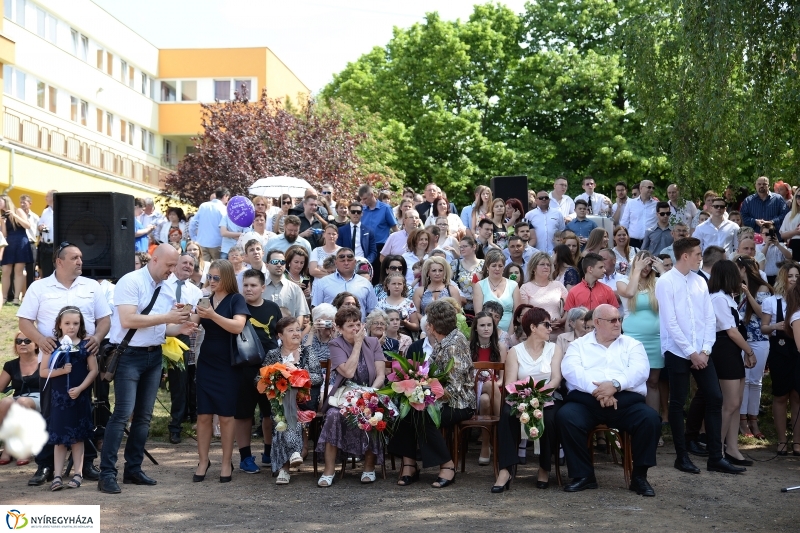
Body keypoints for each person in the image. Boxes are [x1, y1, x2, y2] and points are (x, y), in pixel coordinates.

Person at [99, 244, 195, 494]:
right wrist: (168, 320)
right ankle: (107, 473)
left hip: (154, 355)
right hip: (129, 356)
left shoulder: (165, 288)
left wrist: (180, 328)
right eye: (169, 265)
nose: (172, 271)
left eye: (175, 266)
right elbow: (128, 320)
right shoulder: (130, 282)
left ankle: (133, 469)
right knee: (122, 414)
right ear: (154, 260)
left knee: (143, 417)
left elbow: (161, 327)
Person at [18, 242, 112, 487]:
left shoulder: (92, 286)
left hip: (84, 360)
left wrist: (97, 338)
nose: (81, 261)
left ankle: (87, 464)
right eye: (75, 257)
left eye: (81, 257)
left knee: (87, 413)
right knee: (51, 415)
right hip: (53, 365)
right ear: (59, 262)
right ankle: (47, 465)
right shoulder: (39, 287)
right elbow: (24, 321)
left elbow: (105, 320)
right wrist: (41, 340)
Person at [656, 237, 745, 476]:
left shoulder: (700, 282)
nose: (700, 257)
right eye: (697, 254)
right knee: (678, 402)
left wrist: (705, 350)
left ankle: (716, 456)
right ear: (685, 256)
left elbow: (708, 318)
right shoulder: (665, 282)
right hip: (677, 351)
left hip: (702, 351)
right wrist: (691, 353)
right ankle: (682, 456)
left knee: (715, 397)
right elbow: (670, 322)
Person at [557, 304, 660, 495]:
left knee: (650, 419)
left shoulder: (632, 344)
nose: (618, 323)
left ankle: (639, 477)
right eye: (612, 320)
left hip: (625, 400)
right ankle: (583, 476)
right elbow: (571, 371)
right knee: (566, 416)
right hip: (586, 400)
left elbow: (640, 371)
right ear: (597, 322)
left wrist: (615, 385)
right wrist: (600, 392)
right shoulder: (578, 346)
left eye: (619, 319)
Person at [389, 300, 475, 488]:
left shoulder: (454, 343)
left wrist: (425, 395)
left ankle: (447, 465)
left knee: (423, 414)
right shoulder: (444, 340)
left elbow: (455, 388)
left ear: (432, 326)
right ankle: (409, 464)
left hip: (459, 404)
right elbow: (431, 373)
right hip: (441, 399)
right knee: (405, 409)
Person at [492, 307, 563, 492]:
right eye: (546, 324)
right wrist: (526, 397)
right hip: (520, 397)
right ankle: (505, 470)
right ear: (532, 327)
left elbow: (556, 378)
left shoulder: (554, 349)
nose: (550, 328)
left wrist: (540, 395)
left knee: (549, 418)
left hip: (547, 396)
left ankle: (544, 468)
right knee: (507, 415)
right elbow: (510, 382)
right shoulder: (515, 351)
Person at [191, 259, 248, 484]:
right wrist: (185, 315)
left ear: (226, 278)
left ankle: (226, 462)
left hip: (229, 363)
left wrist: (212, 315)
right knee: (203, 415)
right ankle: (203, 460)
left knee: (226, 415)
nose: (212, 281)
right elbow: (193, 324)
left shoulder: (236, 299)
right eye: (210, 277)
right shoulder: (205, 299)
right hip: (206, 361)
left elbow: (238, 326)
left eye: (216, 277)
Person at [316, 306, 386, 487]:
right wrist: (357, 344)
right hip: (345, 396)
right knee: (332, 416)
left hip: (370, 392)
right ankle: (329, 470)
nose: (355, 329)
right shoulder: (335, 344)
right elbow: (347, 372)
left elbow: (381, 375)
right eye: (350, 326)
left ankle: (369, 467)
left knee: (373, 412)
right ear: (339, 328)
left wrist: (370, 392)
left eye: (357, 324)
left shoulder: (373, 342)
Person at [40, 306, 98, 491]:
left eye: (75, 323)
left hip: (79, 398)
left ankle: (78, 473)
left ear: (80, 324)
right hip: (59, 399)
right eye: (67, 323)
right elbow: (43, 372)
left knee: (77, 438)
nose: (71, 327)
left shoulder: (85, 345)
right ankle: (57, 475)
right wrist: (61, 371)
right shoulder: (52, 346)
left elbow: (94, 370)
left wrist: (81, 388)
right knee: (59, 439)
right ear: (59, 324)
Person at [261, 317, 322, 484]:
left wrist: (298, 374)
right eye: (291, 330)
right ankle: (294, 451)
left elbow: (318, 378)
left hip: (305, 400)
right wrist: (274, 378)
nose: (296, 333)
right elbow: (259, 379)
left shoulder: (308, 352)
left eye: (297, 329)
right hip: (279, 402)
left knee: (284, 411)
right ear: (280, 335)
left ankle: (284, 469)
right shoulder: (273, 355)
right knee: (283, 406)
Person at [707, 260, 757, 467]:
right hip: (724, 349)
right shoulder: (718, 298)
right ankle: (716, 451)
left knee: (736, 403)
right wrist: (749, 350)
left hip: (733, 349)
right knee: (729, 404)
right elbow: (731, 331)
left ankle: (732, 448)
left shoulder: (727, 297)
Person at [236, 268, 282, 473]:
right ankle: (245, 457)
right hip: (244, 367)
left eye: (253, 285)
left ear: (263, 288)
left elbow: (279, 336)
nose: (248, 289)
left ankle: (269, 452)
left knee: (270, 413)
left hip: (270, 368)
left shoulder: (273, 307)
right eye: (245, 285)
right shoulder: (237, 307)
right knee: (244, 414)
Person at [617, 252, 663, 425]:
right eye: (642, 264)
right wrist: (635, 270)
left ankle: (653, 425)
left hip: (655, 339)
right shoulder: (622, 281)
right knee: (633, 382)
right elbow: (629, 293)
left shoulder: (658, 283)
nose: (646, 268)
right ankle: (633, 422)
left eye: (649, 265)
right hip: (633, 339)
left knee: (653, 382)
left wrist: (662, 271)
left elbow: (675, 292)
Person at [761, 262, 800, 456]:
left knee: (797, 396)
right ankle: (782, 440)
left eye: (796, 276)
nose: (793, 279)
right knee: (780, 395)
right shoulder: (772, 301)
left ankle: (797, 442)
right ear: (783, 278)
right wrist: (775, 326)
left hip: (798, 350)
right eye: (790, 276)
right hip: (780, 350)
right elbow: (763, 327)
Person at [165, 253, 203, 445]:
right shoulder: (162, 284)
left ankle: (175, 427)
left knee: (180, 382)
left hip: (182, 337)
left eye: (191, 264)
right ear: (176, 265)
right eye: (185, 262)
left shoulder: (196, 292)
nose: (188, 266)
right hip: (157, 333)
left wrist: (180, 319)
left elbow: (195, 320)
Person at [469, 310, 507, 465]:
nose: (486, 328)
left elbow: (502, 378)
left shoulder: (500, 347)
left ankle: (485, 445)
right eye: (482, 325)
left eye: (489, 325)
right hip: (472, 389)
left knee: (486, 398)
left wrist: (494, 383)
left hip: (494, 388)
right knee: (485, 389)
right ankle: (503, 430)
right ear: (476, 328)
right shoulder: (468, 347)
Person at [0, 332, 41, 465]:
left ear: (36, 345)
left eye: (27, 340)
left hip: (39, 399)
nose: (22, 344)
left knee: (22, 402)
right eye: (19, 341)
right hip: (17, 398)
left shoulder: (43, 361)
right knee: (5, 402)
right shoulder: (10, 365)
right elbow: (1, 387)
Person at [312, 247, 377, 321]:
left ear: (355, 262)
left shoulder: (366, 283)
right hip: (331, 329)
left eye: (349, 260)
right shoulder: (323, 282)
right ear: (336, 263)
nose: (346, 263)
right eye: (342, 260)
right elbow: (316, 309)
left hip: (357, 329)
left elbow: (373, 311)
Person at [520, 251, 568, 340]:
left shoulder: (558, 285)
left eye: (548, 265)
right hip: (537, 336)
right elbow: (525, 314)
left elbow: (569, 307)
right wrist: (544, 324)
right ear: (534, 268)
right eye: (542, 264)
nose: (546, 267)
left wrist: (562, 320)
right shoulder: (525, 287)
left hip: (558, 335)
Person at [473, 249, 521, 332]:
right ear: (487, 267)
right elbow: (479, 314)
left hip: (510, 330)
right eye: (494, 265)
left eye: (500, 266)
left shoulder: (513, 285)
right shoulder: (479, 285)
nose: (497, 268)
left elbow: (516, 313)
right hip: (487, 332)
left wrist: (509, 334)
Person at [1, 195, 33, 305]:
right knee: (5, 270)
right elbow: (4, 234)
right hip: (9, 243)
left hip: (20, 242)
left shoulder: (18, 210)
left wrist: (14, 215)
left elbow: (27, 225)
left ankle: (16, 298)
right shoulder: (2, 215)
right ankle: (4, 298)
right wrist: (3, 223)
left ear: (5, 201)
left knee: (18, 271)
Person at [262, 249, 310, 320]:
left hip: (288, 330)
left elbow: (300, 315)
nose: (279, 265)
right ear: (267, 265)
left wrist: (294, 330)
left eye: (282, 262)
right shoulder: (259, 287)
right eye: (275, 262)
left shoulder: (295, 288)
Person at [189, 187, 229, 261]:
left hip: (202, 242)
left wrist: (194, 238)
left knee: (203, 268)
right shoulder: (224, 209)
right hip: (218, 244)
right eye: (227, 198)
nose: (227, 200)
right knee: (218, 269)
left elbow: (193, 223)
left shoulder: (203, 206)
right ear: (225, 196)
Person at [377, 271, 419, 336]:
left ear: (403, 286)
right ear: (388, 286)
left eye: (399, 284)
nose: (397, 286)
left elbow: (416, 326)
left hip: (405, 336)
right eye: (393, 284)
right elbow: (376, 323)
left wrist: (406, 323)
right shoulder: (381, 304)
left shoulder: (409, 303)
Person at [451, 236, 484, 316]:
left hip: (481, 307)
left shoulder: (484, 264)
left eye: (465, 246)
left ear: (474, 247)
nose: (461, 249)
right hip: (461, 308)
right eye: (460, 247)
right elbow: (448, 282)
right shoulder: (455, 264)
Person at [621, 180, 657, 248]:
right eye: (649, 187)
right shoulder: (631, 203)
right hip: (633, 242)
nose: (651, 190)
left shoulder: (656, 205)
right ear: (641, 188)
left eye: (653, 188)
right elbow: (624, 223)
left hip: (651, 242)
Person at [37, 189, 56, 279]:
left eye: (47, 196)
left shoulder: (61, 210)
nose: (45, 198)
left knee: (57, 272)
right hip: (45, 246)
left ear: (53, 197)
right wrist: (41, 227)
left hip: (56, 246)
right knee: (46, 273)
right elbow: (39, 226)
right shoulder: (45, 211)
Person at [779, 188, 800, 261]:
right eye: (798, 197)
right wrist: (795, 232)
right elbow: (783, 234)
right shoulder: (790, 215)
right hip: (794, 246)